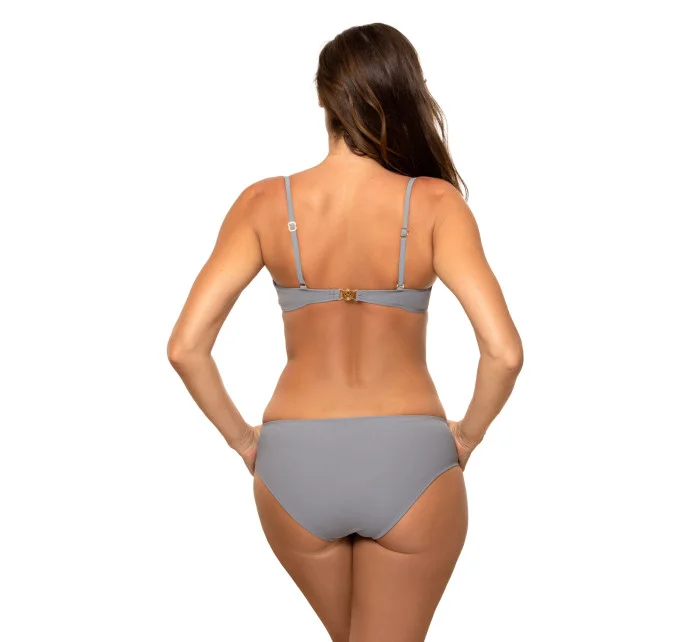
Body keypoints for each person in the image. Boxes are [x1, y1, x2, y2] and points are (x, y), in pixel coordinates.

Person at [167, 22, 523, 642]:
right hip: (410, 461)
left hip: (292, 463)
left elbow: (186, 347)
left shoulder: (263, 204)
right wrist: (468, 435)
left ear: (322, 98)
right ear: (407, 92)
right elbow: (504, 352)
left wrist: (244, 442)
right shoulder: (435, 204)